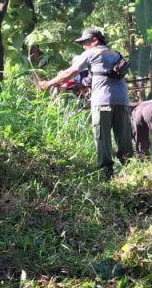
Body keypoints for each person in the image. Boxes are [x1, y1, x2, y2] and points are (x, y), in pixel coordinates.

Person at [39, 27, 132, 178]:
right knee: (124, 138)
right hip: (122, 101)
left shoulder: (91, 53)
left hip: (102, 103)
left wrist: (48, 83)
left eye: (85, 42)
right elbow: (100, 76)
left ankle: (107, 173)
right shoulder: (116, 54)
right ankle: (131, 169)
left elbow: (69, 73)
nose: (83, 46)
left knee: (102, 138)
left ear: (94, 40)